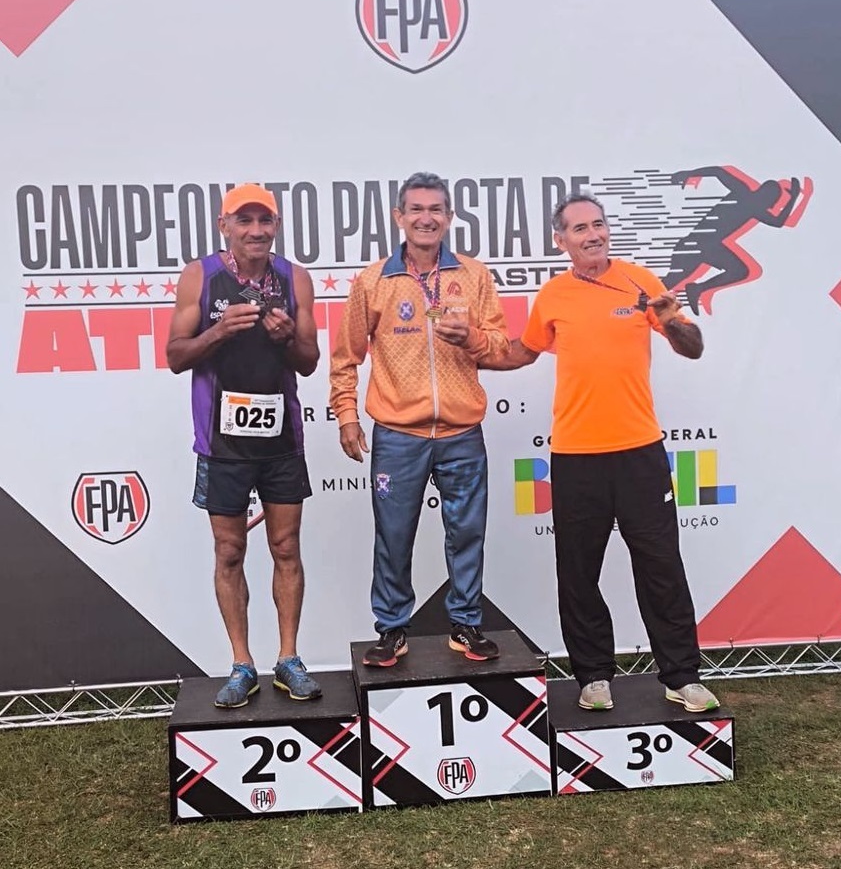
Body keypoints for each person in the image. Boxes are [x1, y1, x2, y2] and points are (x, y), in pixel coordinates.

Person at [482, 190, 720, 713]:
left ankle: (681, 676)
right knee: (578, 570)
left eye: (598, 224)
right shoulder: (554, 295)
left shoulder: (641, 281)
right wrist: (475, 353)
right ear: (560, 240)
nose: (593, 234)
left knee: (661, 567)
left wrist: (672, 319)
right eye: (580, 228)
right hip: (574, 456)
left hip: (640, 453)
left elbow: (693, 346)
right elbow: (523, 351)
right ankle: (593, 676)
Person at [329, 171, 509, 667]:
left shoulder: (474, 276)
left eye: (436, 210)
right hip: (397, 434)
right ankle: (391, 630)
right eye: (416, 209)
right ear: (399, 217)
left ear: (449, 218)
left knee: (467, 531)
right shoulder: (374, 280)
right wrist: (347, 415)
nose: (426, 218)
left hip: (461, 433)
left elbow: (499, 347)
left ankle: (466, 625)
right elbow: (345, 356)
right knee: (393, 533)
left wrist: (470, 337)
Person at [166, 183, 322, 708]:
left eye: (265, 221)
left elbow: (308, 361)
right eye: (244, 220)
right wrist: (220, 331)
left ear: (275, 226)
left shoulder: (294, 278)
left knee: (285, 547)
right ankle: (241, 663)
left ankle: (289, 658)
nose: (256, 230)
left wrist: (285, 339)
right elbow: (175, 355)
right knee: (230, 550)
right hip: (221, 442)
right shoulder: (200, 276)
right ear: (224, 225)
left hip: (281, 441)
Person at [662, 165, 809, 315]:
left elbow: (717, 172)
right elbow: (779, 221)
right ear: (768, 198)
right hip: (697, 245)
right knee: (667, 284)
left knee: (740, 270)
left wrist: (690, 173)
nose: (772, 206)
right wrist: (795, 197)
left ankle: (697, 288)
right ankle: (692, 289)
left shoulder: (744, 194)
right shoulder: (754, 206)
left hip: (705, 246)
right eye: (774, 202)